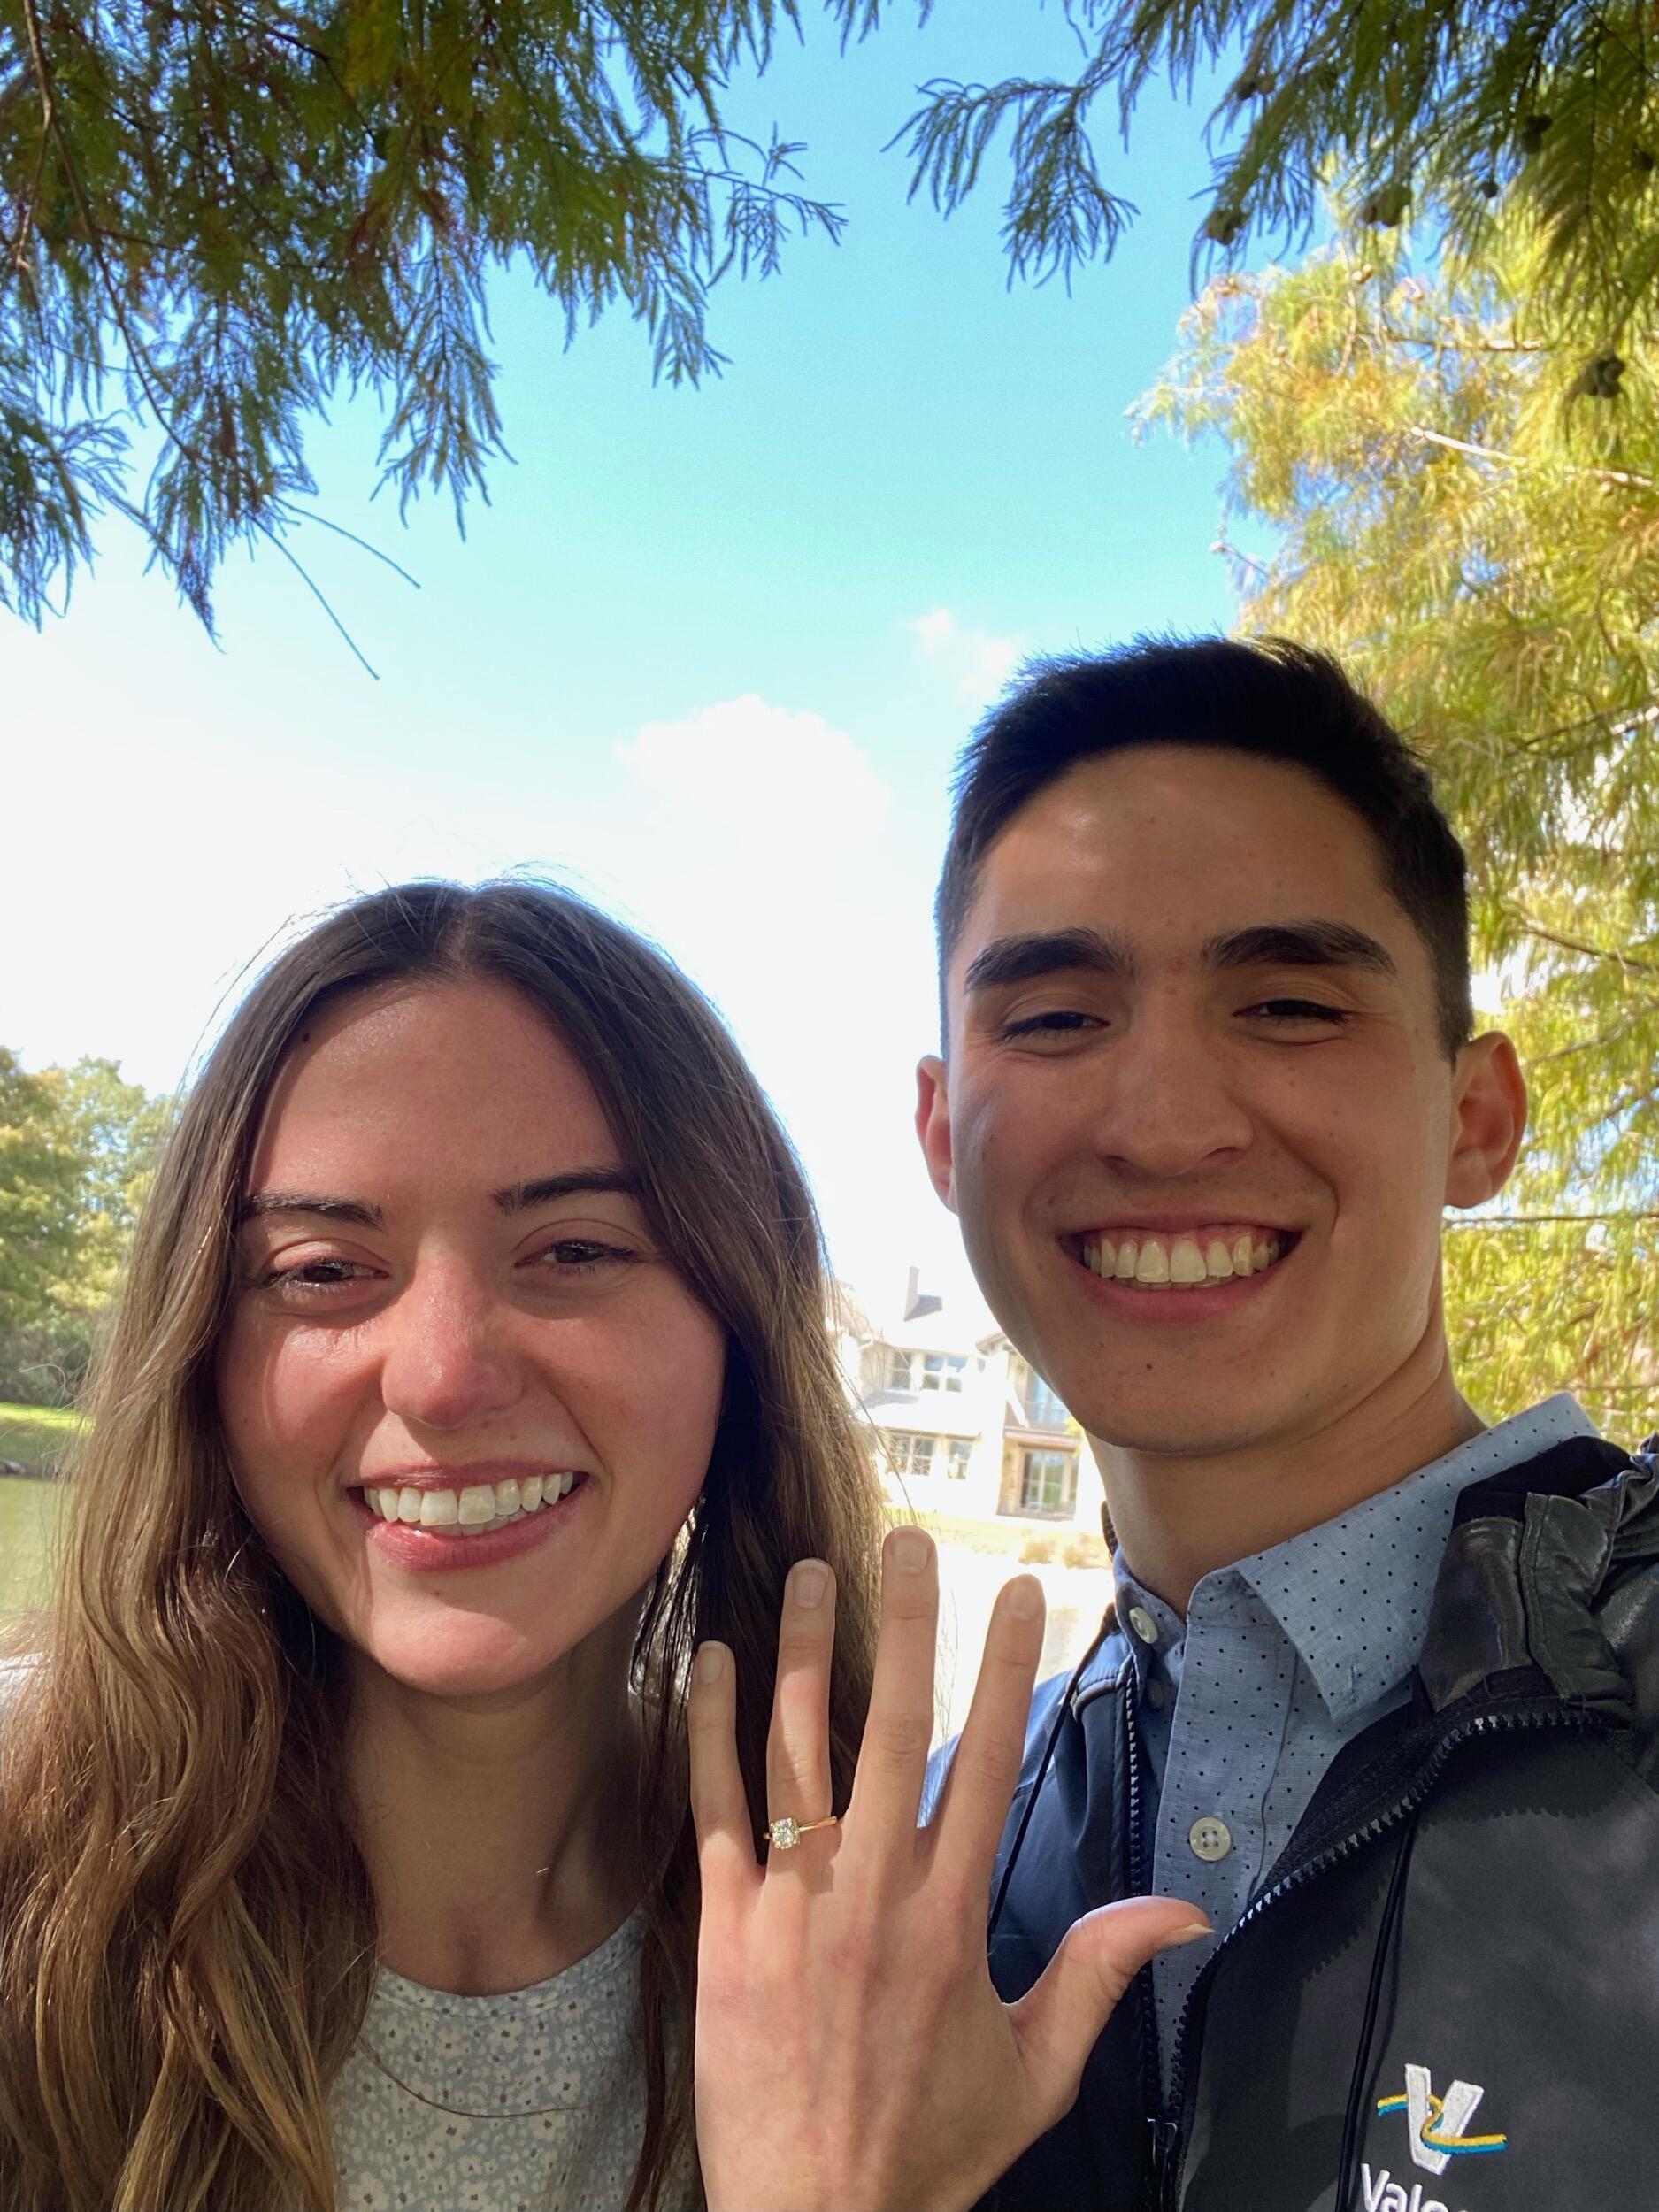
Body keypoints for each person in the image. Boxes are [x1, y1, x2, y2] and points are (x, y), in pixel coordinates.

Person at [689, 635, 1659, 2212]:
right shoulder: (935, 1856)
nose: (1160, 1124)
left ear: (1476, 1119)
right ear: (944, 1134)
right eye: (1058, 1020)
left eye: (1285, 1004)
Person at [0, 877, 901, 2212]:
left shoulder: (887, 1956)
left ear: (743, 1338)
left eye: (576, 1250)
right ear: (202, 1355)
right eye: (320, 1270)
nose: (439, 1377)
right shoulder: (28, 1894)